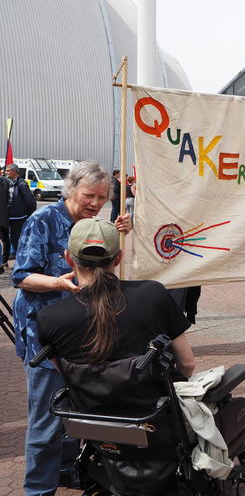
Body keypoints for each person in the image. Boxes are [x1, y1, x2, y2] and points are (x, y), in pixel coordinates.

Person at [12, 162, 131, 495]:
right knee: (47, 419)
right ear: (71, 190)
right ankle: (38, 490)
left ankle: (65, 469)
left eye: (102, 197)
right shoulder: (43, 221)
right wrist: (57, 283)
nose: (95, 203)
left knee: (77, 410)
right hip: (44, 336)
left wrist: (123, 235)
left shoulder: (97, 225)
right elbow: (21, 277)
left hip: (85, 334)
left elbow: (109, 268)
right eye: (89, 195)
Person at [36, 217, 195, 376]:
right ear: (118, 258)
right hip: (151, 399)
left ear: (69, 258)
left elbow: (65, 374)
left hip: (87, 401)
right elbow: (187, 364)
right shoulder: (154, 295)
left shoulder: (49, 318)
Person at [6, 163, 36, 257]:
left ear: (14, 171)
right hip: (10, 215)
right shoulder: (10, 183)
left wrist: (27, 214)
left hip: (18, 216)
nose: (6, 172)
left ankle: (19, 254)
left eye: (8, 170)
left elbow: (30, 201)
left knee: (17, 236)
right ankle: (13, 252)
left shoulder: (22, 184)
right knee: (11, 236)